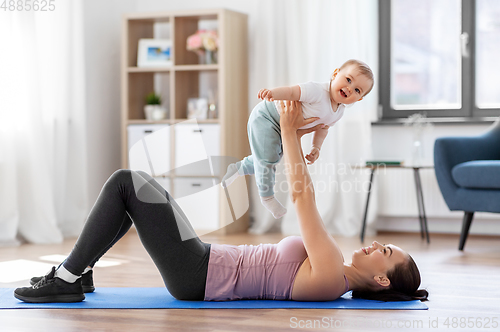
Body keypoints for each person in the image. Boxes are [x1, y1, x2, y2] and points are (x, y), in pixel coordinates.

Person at [14, 100, 427, 304]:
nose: (376, 245)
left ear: (382, 280)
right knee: (139, 193)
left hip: (198, 275)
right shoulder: (334, 277)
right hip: (205, 260)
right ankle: (81, 272)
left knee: (126, 182)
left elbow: (302, 195)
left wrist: (287, 129)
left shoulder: (332, 276)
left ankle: (65, 281)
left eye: (385, 252)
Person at [220, 59, 374, 219]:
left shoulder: (338, 112)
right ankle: (267, 197)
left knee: (267, 158)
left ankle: (238, 168)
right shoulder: (318, 91)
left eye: (357, 90)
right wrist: (272, 93)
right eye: (348, 80)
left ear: (359, 98)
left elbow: (323, 128)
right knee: (268, 159)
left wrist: (316, 147)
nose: (349, 88)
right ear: (335, 74)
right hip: (267, 116)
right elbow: (292, 92)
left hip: (283, 127)